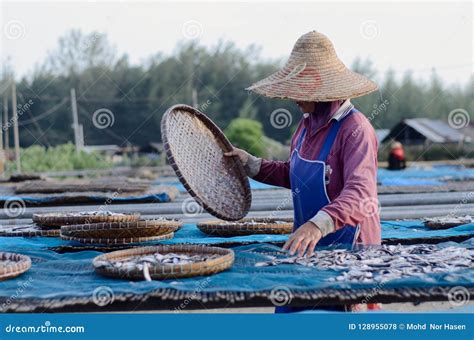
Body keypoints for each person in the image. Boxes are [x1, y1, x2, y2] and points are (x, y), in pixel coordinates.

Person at [225, 31, 381, 312]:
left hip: (349, 251)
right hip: (309, 247)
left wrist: (316, 225)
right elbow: (296, 176)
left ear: (320, 90)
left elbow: (360, 195)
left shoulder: (356, 130)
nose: (292, 96)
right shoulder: (305, 125)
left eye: (299, 89)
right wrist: (251, 164)